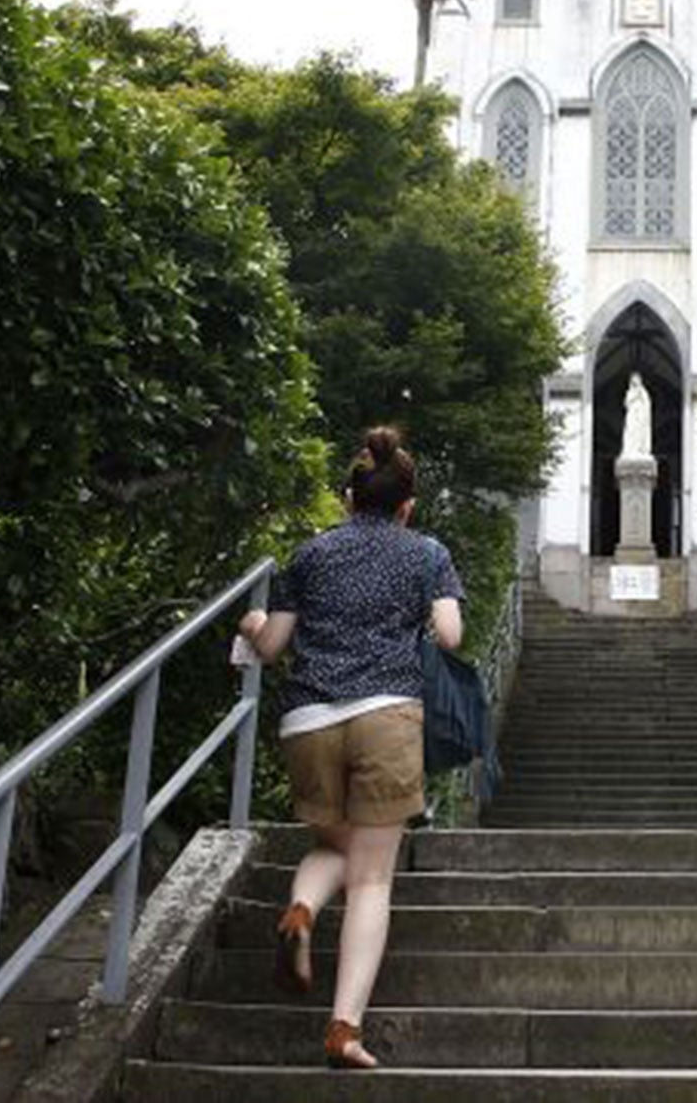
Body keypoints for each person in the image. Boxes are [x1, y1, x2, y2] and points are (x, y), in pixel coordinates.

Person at [235, 426, 465, 1070]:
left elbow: (273, 645)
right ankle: (343, 1029)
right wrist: (420, 610)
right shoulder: (426, 552)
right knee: (371, 877)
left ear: (348, 498)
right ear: (406, 504)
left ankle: (301, 911)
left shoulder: (309, 555)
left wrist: (252, 623)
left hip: (308, 718)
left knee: (331, 844)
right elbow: (449, 634)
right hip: (386, 715)